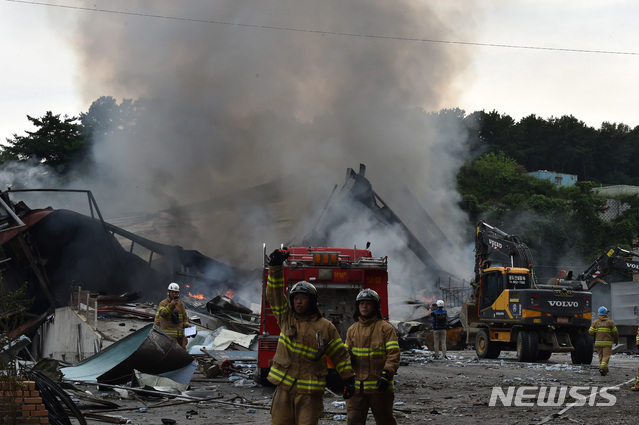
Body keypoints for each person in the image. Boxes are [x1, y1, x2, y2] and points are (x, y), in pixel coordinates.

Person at [266, 249, 356, 425]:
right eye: (296, 298)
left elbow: (340, 355)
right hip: (284, 387)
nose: (299, 301)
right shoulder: (286, 317)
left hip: (309, 392)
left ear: (312, 301)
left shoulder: (325, 327)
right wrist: (275, 267)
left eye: (303, 298)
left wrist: (349, 379)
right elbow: (274, 295)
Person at [344, 289, 400, 425]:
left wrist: (387, 374)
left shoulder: (385, 329)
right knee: (353, 421)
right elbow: (344, 357)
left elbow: (393, 355)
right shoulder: (352, 330)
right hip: (357, 390)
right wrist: (346, 378)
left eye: (368, 303)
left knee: (385, 421)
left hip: (380, 388)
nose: (364, 306)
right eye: (361, 303)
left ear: (375, 307)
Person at [154, 282, 190, 349]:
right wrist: (171, 305)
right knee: (170, 354)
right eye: (173, 292)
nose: (174, 294)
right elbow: (162, 314)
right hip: (169, 336)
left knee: (181, 354)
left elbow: (184, 318)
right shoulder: (163, 303)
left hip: (180, 336)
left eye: (176, 292)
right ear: (169, 292)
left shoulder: (181, 304)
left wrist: (187, 324)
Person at [589, 305, 618, 376]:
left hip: (598, 343)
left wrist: (596, 333)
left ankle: (604, 370)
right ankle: (602, 367)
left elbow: (590, 332)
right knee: (606, 356)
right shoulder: (610, 323)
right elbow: (615, 333)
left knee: (601, 356)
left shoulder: (595, 323)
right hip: (607, 344)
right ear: (606, 314)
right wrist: (616, 341)